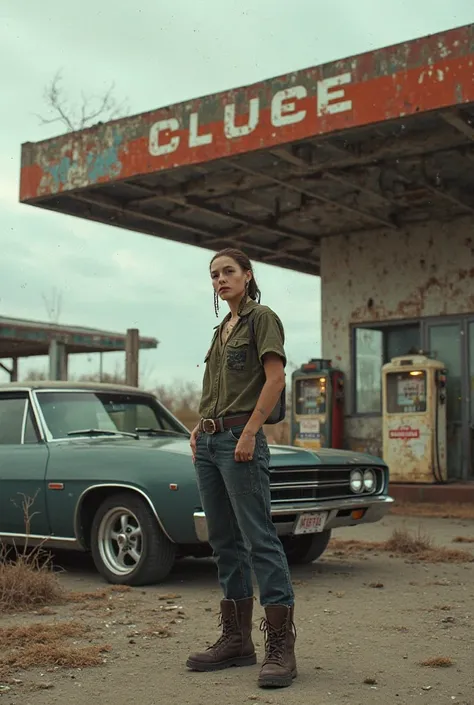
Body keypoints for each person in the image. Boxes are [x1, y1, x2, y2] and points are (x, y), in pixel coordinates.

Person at [186, 247, 297, 689]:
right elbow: (219, 388)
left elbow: (274, 379)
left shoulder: (261, 318)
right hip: (210, 443)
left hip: (239, 441)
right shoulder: (221, 329)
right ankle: (236, 640)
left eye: (228, 271)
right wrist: (199, 427)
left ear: (248, 276)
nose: (220, 279)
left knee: (259, 539)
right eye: (214, 274)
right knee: (223, 540)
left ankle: (281, 649)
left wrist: (250, 431)